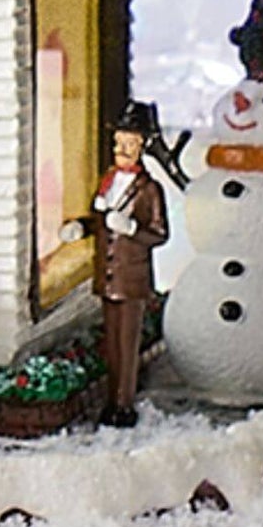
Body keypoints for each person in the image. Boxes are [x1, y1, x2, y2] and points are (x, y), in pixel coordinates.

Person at [82, 105, 174, 428]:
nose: (122, 149)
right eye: (119, 142)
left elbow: (161, 234)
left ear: (142, 147)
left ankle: (124, 403)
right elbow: (100, 221)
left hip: (131, 277)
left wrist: (132, 229)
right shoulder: (108, 181)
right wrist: (81, 228)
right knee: (112, 342)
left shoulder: (149, 190)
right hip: (108, 276)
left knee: (127, 342)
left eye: (129, 144)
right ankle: (111, 400)